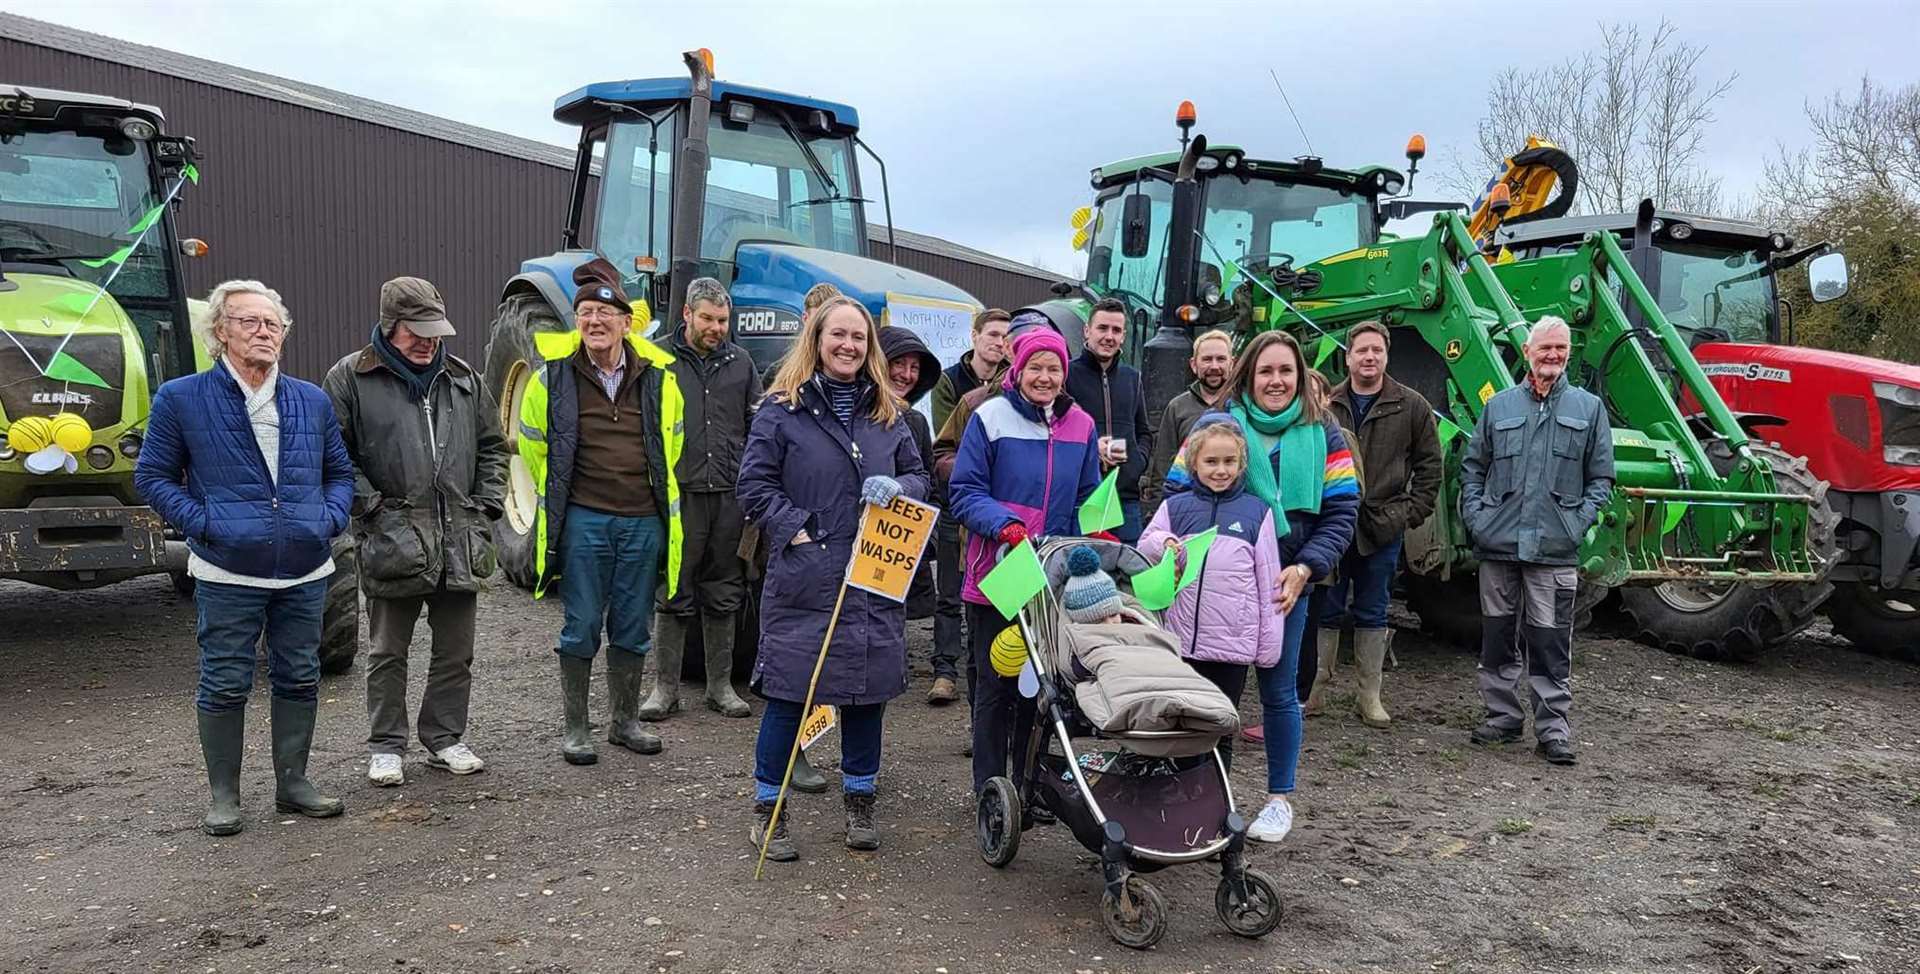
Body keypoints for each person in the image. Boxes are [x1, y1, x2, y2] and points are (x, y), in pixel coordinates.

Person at [135, 280, 354, 836]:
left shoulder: (311, 399)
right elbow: (153, 477)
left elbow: (340, 474)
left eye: (273, 324)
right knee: (226, 679)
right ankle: (224, 795)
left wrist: (325, 521)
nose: (264, 333)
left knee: (300, 675)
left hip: (305, 568)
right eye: (250, 322)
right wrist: (207, 524)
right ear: (220, 332)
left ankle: (294, 785)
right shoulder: (182, 398)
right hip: (227, 568)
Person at [735, 296, 930, 861]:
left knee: (867, 697)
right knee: (789, 697)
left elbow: (920, 476)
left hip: (872, 576)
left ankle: (860, 805)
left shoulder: (889, 413)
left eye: (859, 337)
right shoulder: (780, 410)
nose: (848, 346)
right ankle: (769, 811)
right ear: (816, 340)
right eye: (837, 335)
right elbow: (753, 486)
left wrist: (901, 490)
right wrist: (795, 529)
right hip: (807, 577)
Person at [1162, 330, 1357, 842]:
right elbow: (1176, 492)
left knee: (1279, 691)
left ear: (1298, 376)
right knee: (1203, 693)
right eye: (1266, 371)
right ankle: (1201, 793)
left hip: (1284, 585)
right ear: (1248, 373)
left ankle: (1278, 799)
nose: (1276, 381)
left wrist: (1306, 567)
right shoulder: (1216, 427)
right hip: (1214, 589)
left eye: (1285, 371)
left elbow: (1342, 511)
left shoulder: (1325, 433)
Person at [322, 276, 508, 786]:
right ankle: (386, 745)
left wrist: (487, 506)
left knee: (456, 651)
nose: (428, 341)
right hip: (393, 540)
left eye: (435, 331)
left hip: (459, 539)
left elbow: (493, 447)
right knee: (387, 651)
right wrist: (373, 508)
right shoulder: (349, 378)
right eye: (417, 331)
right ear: (390, 326)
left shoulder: (465, 379)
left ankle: (445, 738)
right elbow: (333, 455)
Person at [517, 260, 685, 765]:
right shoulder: (552, 379)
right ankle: (576, 729)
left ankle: (625, 722)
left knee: (634, 624)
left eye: (604, 314)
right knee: (583, 622)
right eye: (585, 313)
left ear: (625, 323)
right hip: (585, 519)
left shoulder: (659, 380)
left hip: (642, 520)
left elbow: (671, 444)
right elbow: (533, 445)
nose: (594, 322)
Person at [948, 325, 1103, 795]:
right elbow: (964, 491)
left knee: (1040, 690)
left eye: (1053, 367)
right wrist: (1005, 525)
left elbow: (1087, 498)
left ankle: (1028, 783)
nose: (1045, 376)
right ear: (1017, 369)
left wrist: (1092, 540)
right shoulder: (989, 417)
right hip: (1000, 572)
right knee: (997, 685)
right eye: (1035, 366)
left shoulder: (1082, 425)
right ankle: (991, 790)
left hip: (1051, 578)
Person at [1460, 316, 1613, 767]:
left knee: (1550, 641)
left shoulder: (1589, 409)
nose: (1553, 355)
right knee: (1497, 636)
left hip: (1554, 549)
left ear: (1569, 353)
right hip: (1499, 544)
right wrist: (1479, 520)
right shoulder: (1500, 407)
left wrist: (1576, 523)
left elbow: (1601, 477)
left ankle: (1553, 728)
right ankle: (1502, 716)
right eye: (1544, 347)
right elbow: (1473, 468)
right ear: (1527, 351)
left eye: (1560, 348)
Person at [1138, 414, 1285, 776]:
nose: (1221, 470)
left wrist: (1268, 649)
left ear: (1241, 464)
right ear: (1194, 463)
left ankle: (1216, 805)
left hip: (1232, 648)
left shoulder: (1257, 513)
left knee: (1220, 729)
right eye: (1211, 462)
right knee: (1182, 725)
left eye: (1229, 462)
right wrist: (1164, 543)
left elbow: (1269, 581)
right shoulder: (1176, 507)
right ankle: (1178, 799)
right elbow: (1145, 544)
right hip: (1182, 643)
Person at [1309, 322, 1440, 727]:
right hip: (1332, 523)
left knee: (1373, 607)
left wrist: (1407, 513)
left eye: (1377, 351)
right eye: (1361, 350)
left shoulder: (1412, 405)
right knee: (1325, 606)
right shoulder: (1327, 402)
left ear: (1386, 356)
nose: (1369, 357)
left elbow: (1430, 467)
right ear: (1347, 356)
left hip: (1381, 525)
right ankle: (1314, 687)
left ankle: (1370, 695)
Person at [641, 277, 759, 722]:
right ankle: (664, 689)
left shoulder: (742, 364)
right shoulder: (658, 360)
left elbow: (755, 429)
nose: (715, 327)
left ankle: (720, 686)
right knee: (672, 588)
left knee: (725, 589)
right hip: (678, 493)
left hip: (729, 496)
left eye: (723, 320)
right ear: (687, 314)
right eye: (707, 318)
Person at [924, 308, 1010, 704]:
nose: (999, 342)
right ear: (975, 337)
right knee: (950, 592)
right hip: (956, 503)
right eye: (992, 334)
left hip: (1001, 508)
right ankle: (945, 671)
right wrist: (982, 467)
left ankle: (991, 676)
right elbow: (948, 442)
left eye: (1006, 336)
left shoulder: (1018, 386)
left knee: (993, 599)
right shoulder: (952, 385)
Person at [1065, 298, 1152, 543]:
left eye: (1116, 330)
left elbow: (1144, 432)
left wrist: (1137, 461)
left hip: (1126, 500)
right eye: (1102, 328)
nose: (1109, 336)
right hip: (1083, 499)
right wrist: (1093, 450)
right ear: (1087, 330)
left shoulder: (1132, 378)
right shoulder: (1067, 375)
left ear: (1123, 336)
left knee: (1127, 576)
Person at [878, 324, 942, 632]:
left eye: (914, 367)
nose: (906, 374)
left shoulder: (916, 423)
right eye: (899, 364)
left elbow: (928, 483)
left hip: (895, 546)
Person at [1141, 328, 1234, 512]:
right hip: (1186, 506)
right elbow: (1162, 464)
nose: (1214, 366)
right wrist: (1156, 511)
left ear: (1232, 363)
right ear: (1193, 364)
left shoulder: (1242, 406)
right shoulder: (1178, 407)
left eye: (1221, 359)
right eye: (1207, 359)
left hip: (1231, 506)